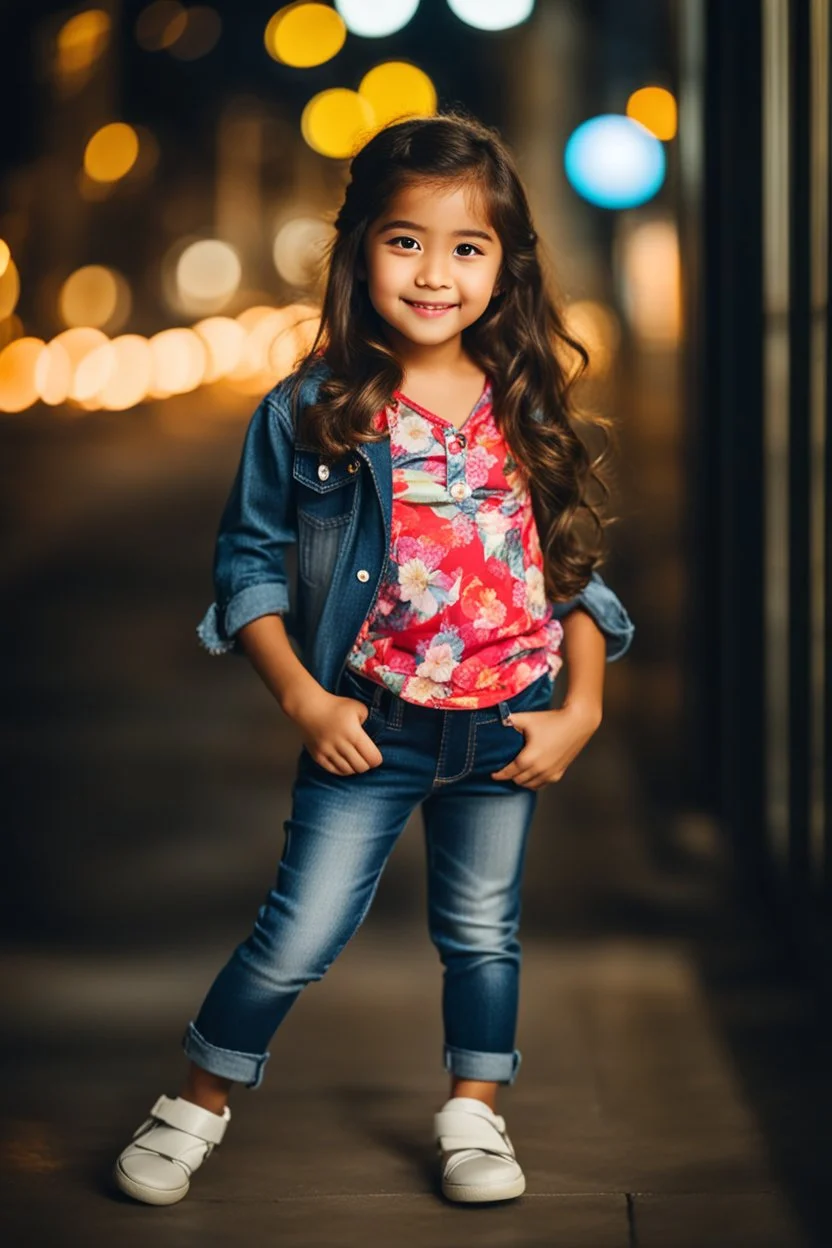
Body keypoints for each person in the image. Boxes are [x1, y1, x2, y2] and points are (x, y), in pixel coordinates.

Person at [113, 109, 635, 1208]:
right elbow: (249, 570)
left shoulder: (527, 408)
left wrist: (579, 709)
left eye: (466, 246)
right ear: (358, 251)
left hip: (509, 722)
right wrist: (306, 703)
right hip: (369, 729)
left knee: (485, 936)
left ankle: (474, 1116)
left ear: (505, 265)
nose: (434, 272)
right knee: (296, 933)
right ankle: (194, 1104)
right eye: (405, 240)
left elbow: (576, 575)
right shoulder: (310, 413)